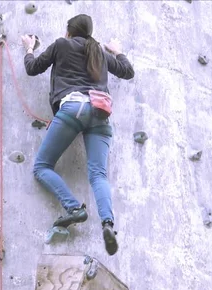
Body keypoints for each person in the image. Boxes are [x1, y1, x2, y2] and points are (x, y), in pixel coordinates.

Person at [21, 14, 134, 255]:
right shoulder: (99, 52)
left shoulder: (62, 45)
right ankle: (107, 224)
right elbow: (127, 71)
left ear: (69, 32)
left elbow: (32, 69)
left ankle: (74, 208)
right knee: (98, 174)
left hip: (74, 108)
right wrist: (117, 51)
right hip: (101, 113)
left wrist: (29, 49)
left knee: (42, 167)